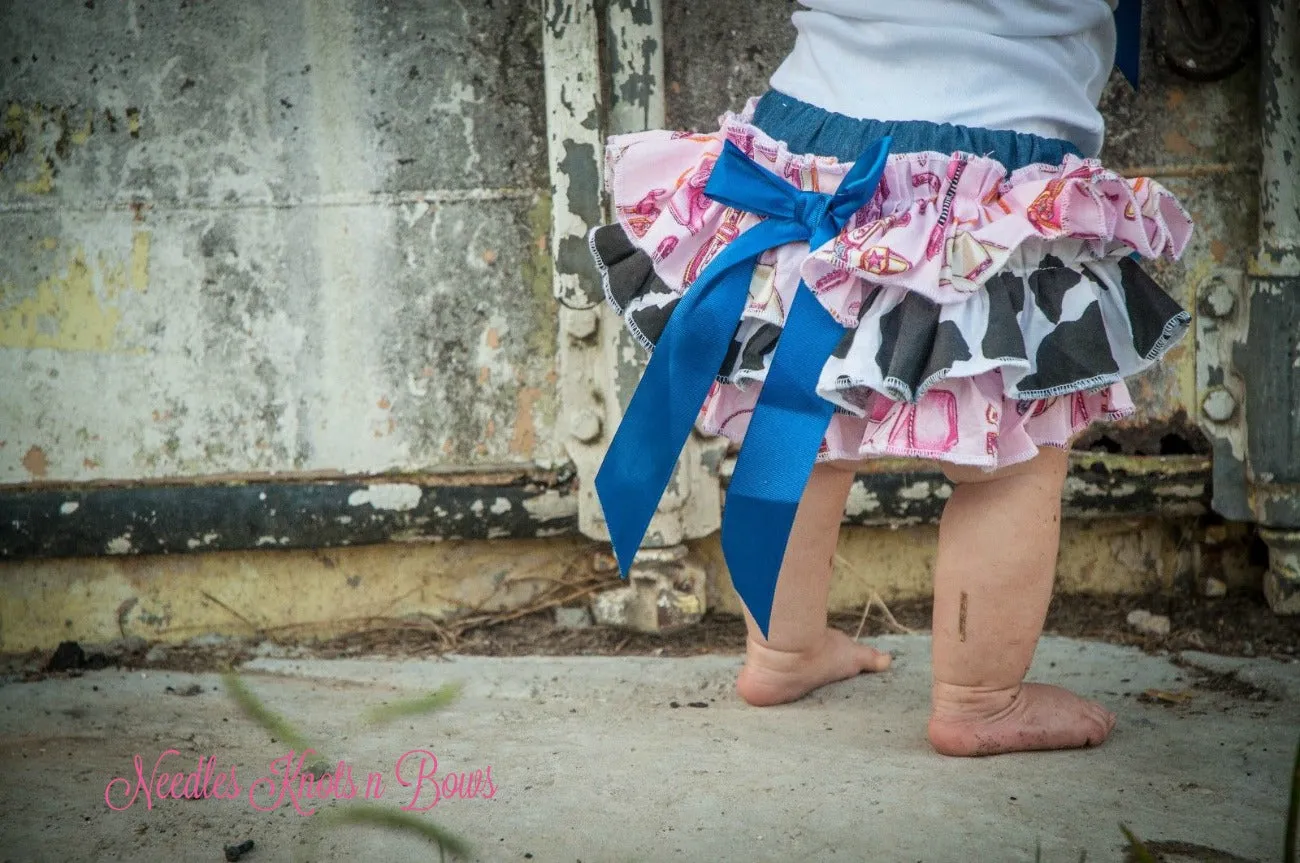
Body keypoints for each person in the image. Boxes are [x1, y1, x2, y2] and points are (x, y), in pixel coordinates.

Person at [588, 0, 1193, 756]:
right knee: (1010, 459)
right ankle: (982, 699)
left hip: (806, 142)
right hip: (992, 180)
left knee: (799, 415)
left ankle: (782, 651)